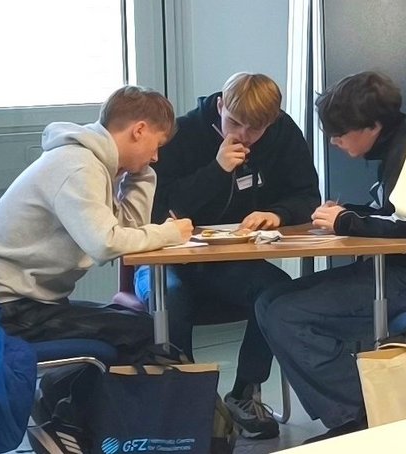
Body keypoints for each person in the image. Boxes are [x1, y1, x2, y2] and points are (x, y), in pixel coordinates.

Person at [254, 71, 406, 443]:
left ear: (373, 126)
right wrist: (346, 217)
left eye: (341, 133)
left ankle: (362, 416)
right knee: (268, 301)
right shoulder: (398, 147)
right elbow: (393, 213)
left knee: (286, 313)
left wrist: (346, 221)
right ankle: (361, 409)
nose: (334, 140)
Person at [133, 72, 320, 439]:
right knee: (171, 297)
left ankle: (245, 393)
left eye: (256, 129)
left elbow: (307, 196)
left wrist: (278, 213)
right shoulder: (182, 134)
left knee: (277, 291)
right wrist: (217, 170)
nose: (243, 135)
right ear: (220, 105)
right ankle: (185, 402)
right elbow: (157, 209)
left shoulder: (283, 134)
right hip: (165, 258)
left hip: (228, 261)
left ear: (273, 120)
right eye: (234, 122)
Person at [0, 85, 194, 349]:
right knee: (144, 331)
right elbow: (105, 244)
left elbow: (127, 230)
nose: (155, 156)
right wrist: (169, 233)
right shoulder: (79, 166)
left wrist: (142, 175)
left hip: (17, 302)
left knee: (135, 322)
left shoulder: (89, 161)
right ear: (139, 130)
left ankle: (74, 389)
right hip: (7, 309)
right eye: (157, 145)